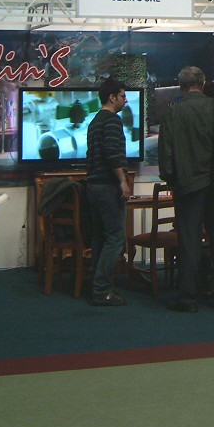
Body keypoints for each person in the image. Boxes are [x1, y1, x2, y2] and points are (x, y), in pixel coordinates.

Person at [158, 66, 214, 311]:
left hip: (188, 186)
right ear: (203, 83)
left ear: (181, 86)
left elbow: (166, 154)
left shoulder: (173, 112)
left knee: (189, 242)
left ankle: (188, 299)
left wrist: (171, 179)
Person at [85, 77, 133, 307]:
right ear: (112, 97)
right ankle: (102, 289)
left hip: (93, 186)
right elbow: (112, 152)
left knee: (99, 238)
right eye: (123, 96)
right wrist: (123, 181)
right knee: (115, 238)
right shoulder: (113, 120)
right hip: (107, 187)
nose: (126, 100)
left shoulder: (94, 121)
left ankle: (96, 285)